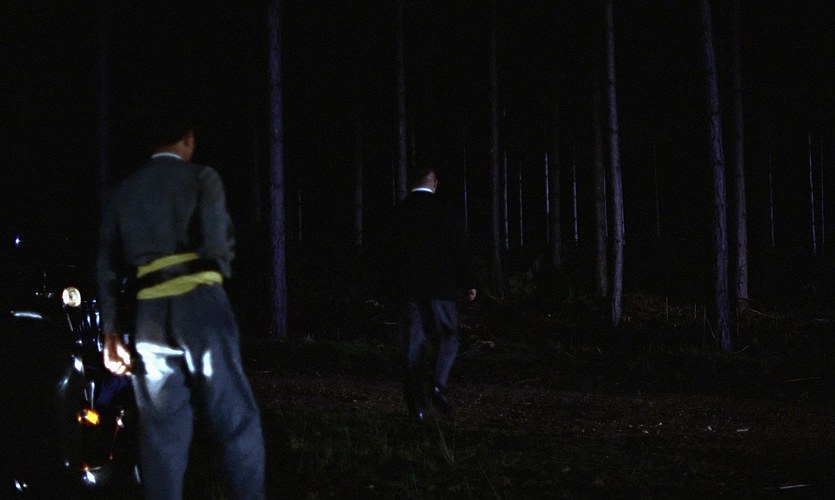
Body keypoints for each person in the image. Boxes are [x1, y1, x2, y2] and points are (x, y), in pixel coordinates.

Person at [96, 107, 265, 499]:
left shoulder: (124, 191)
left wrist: (111, 332)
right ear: (188, 139)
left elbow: (106, 265)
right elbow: (218, 245)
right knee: (234, 418)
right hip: (200, 304)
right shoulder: (202, 177)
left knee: (161, 433)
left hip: (149, 317)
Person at [387, 168, 477, 421]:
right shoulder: (447, 211)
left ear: (410, 183)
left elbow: (386, 254)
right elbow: (460, 249)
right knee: (449, 336)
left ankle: (416, 407)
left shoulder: (398, 212)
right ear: (434, 183)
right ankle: (437, 384)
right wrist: (469, 283)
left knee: (412, 346)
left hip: (408, 290)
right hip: (441, 290)